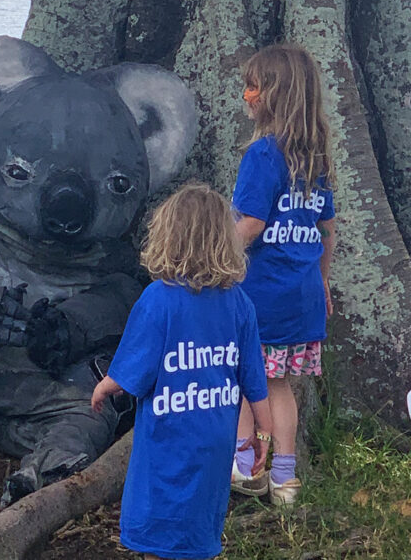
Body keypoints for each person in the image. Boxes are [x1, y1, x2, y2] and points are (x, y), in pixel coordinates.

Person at [91, 184, 273, 560]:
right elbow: (255, 383)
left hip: (167, 446)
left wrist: (104, 387)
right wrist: (263, 434)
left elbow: (131, 372)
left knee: (159, 531)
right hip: (215, 445)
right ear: (226, 240)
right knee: (199, 530)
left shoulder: (158, 300)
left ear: (168, 236)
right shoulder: (239, 303)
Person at [230, 44, 337, 506]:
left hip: (263, 295)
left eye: (252, 86)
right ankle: (285, 478)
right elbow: (327, 231)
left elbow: (251, 224)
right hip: (304, 296)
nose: (246, 95)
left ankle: (242, 467)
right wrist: (325, 283)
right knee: (281, 387)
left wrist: (210, 257)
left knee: (242, 381)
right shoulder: (316, 160)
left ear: (272, 95)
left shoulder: (262, 156)